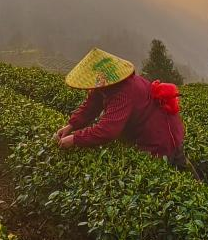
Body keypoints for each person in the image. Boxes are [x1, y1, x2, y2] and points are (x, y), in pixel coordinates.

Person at [53, 48, 193, 173]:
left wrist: (76, 139)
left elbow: (108, 130)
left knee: (168, 174)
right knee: (180, 168)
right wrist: (71, 125)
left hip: (159, 136)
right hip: (150, 131)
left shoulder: (123, 91)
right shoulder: (105, 86)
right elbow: (91, 106)